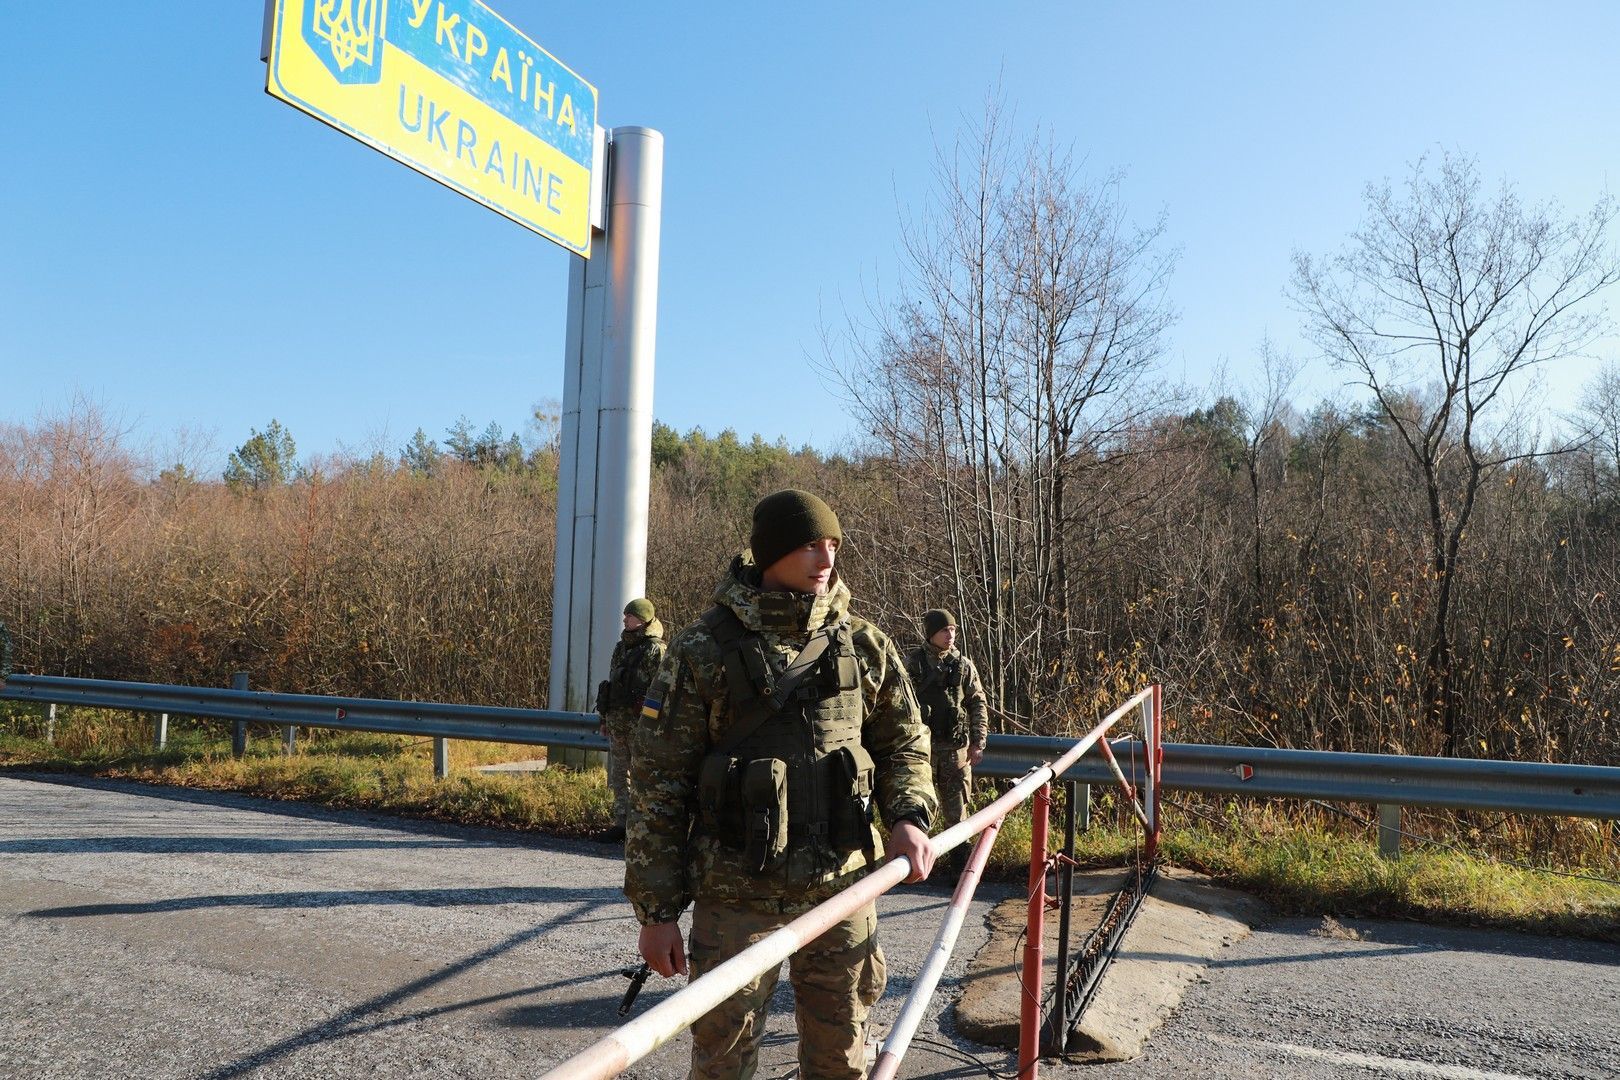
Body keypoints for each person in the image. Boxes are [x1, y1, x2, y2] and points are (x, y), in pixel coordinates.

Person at [625, 489, 938, 1080]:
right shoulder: (702, 650)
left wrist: (909, 817)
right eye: (809, 544)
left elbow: (905, 744)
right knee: (723, 1063)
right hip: (736, 895)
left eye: (833, 545)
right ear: (770, 554)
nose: (827, 558)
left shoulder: (864, 642)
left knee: (841, 1059)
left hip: (843, 887)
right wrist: (658, 911)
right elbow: (659, 786)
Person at [906, 609, 988, 834]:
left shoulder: (963, 665)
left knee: (958, 817)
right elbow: (900, 707)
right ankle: (920, 865)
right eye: (944, 630)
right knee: (919, 813)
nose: (950, 635)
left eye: (953, 630)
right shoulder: (913, 664)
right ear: (931, 633)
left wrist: (978, 743)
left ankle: (961, 864)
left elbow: (978, 704)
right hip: (923, 752)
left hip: (956, 752)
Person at [595, 598, 666, 843]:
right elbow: (612, 684)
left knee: (641, 777)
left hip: (640, 726)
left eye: (629, 615)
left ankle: (641, 826)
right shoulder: (621, 647)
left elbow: (661, 690)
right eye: (625, 615)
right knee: (618, 776)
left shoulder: (656, 649)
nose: (625, 619)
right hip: (618, 722)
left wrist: (653, 724)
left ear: (643, 619)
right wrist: (605, 718)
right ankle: (621, 824)